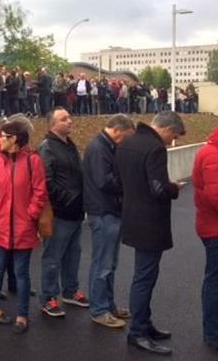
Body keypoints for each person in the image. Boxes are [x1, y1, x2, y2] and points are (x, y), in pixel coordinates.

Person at [115, 111, 186, 356]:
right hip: (150, 223)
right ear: (166, 128)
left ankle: (144, 324)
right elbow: (158, 189)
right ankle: (137, 332)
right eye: (173, 136)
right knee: (145, 278)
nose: (172, 141)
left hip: (132, 217)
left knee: (143, 276)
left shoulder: (127, 142)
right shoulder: (154, 148)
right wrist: (174, 188)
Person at [0, 118, 48, 333]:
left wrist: (31, 215)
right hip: (1, 226)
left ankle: (22, 314)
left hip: (23, 228)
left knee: (22, 273)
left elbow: (39, 191)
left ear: (14, 139)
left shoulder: (33, 161)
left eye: (2, 137)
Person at [83, 114, 135, 328]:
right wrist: (128, 179)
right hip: (103, 212)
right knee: (102, 264)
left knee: (109, 264)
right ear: (116, 130)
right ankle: (99, 310)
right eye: (126, 136)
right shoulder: (98, 148)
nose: (127, 141)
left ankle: (108, 305)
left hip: (109, 211)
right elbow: (105, 181)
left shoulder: (106, 146)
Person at [39, 107, 88, 317]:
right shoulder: (48, 147)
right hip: (59, 214)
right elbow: (46, 181)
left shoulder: (69, 145)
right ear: (53, 125)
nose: (70, 121)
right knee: (53, 257)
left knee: (73, 255)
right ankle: (49, 297)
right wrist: (67, 199)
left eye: (69, 117)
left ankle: (70, 290)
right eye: (64, 119)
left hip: (76, 213)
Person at [193, 125, 218, 351]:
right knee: (214, 281)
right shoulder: (212, 155)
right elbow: (215, 195)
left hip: (211, 226)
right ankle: (213, 333)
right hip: (214, 229)